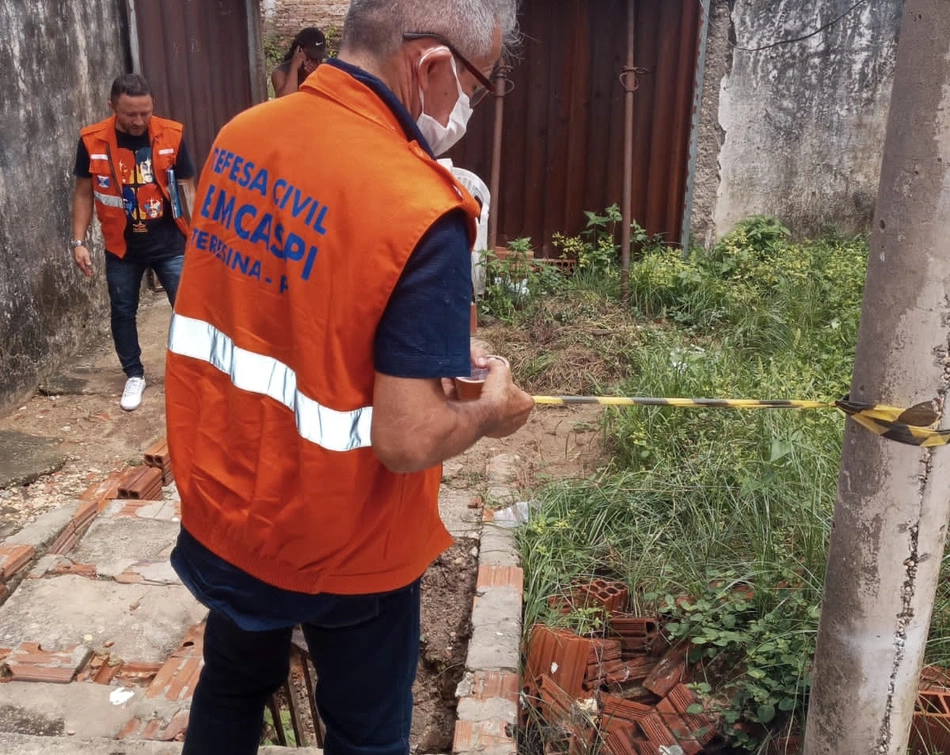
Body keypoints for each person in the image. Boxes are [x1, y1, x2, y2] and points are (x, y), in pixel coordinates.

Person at [164, 0, 528, 752]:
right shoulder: (420, 207)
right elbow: (407, 437)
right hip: (347, 547)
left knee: (230, 686)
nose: (471, 109)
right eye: (477, 87)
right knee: (365, 735)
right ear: (430, 65)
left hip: (230, 510)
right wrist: (493, 410)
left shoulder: (242, 137)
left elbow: (283, 313)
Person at [71, 73, 196, 412]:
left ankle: (191, 373)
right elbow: (83, 193)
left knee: (188, 311)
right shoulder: (91, 141)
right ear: (112, 107)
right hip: (121, 247)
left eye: (145, 112)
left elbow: (187, 185)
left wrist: (197, 233)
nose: (140, 121)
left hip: (170, 243)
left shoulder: (172, 133)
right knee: (123, 311)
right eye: (131, 114)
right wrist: (78, 241)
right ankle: (134, 374)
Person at [271, 27, 326, 97]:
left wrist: (314, 77)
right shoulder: (280, 72)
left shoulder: (320, 69)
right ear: (299, 51)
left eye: (318, 58)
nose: (316, 62)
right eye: (311, 57)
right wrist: (294, 66)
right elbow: (287, 99)